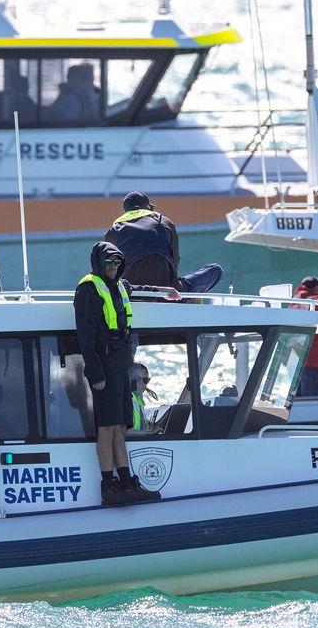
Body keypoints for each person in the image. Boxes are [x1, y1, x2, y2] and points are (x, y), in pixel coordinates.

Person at [74, 241, 177, 505]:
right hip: (105, 365)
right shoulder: (88, 289)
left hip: (121, 362)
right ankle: (108, 485)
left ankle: (126, 481)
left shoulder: (120, 285)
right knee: (106, 428)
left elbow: (139, 289)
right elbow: (85, 335)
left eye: (117, 263)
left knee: (120, 427)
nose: (112, 267)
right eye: (108, 263)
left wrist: (165, 291)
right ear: (98, 263)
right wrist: (95, 372)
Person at [105, 191, 224, 293]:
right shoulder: (165, 222)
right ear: (147, 207)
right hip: (168, 293)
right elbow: (175, 261)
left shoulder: (113, 231)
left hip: (132, 293)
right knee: (216, 270)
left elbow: (111, 270)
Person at [127, 362, 154, 431]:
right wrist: (150, 433)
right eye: (137, 379)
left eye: (145, 380)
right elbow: (125, 433)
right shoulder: (125, 402)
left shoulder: (138, 400)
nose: (141, 383)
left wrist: (152, 426)